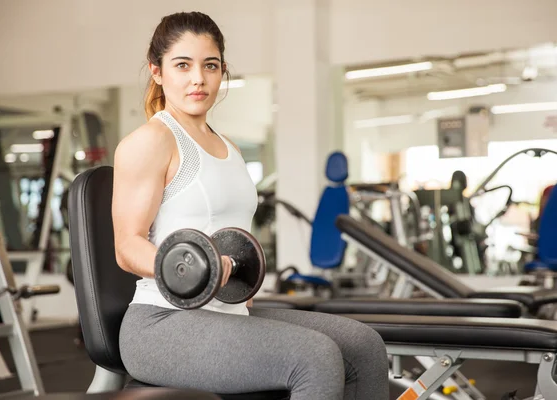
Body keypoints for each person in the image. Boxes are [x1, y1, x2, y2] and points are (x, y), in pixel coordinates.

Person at [113, 11, 389, 400]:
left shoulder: (230, 148)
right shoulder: (150, 141)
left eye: (210, 66)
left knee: (364, 345)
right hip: (162, 323)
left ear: (222, 70)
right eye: (182, 65)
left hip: (228, 314)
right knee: (315, 356)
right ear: (156, 71)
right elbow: (126, 247)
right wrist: (200, 268)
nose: (198, 79)